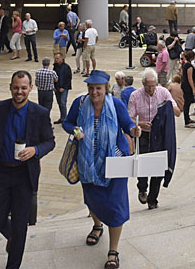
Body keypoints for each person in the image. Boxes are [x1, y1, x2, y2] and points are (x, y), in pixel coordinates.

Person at [63, 70, 142, 269]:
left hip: (115, 163)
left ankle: (113, 250)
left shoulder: (115, 104)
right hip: (87, 163)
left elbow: (127, 124)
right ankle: (97, 226)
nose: (94, 92)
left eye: (98, 88)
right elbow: (67, 122)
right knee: (92, 198)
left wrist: (134, 129)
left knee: (116, 205)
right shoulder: (80, 103)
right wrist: (75, 130)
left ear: (105, 88)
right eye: (91, 88)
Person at [0, 71, 56, 269]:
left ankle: (13, 262)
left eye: (23, 87)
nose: (19, 91)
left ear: (31, 88)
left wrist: (36, 150)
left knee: (21, 223)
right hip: (1, 172)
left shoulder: (40, 113)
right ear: (10, 87)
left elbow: (50, 142)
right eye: (16, 87)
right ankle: (14, 236)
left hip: (25, 174)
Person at [127, 68, 180, 206]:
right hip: (143, 134)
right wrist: (141, 124)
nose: (151, 89)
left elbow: (177, 112)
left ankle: (152, 199)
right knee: (143, 163)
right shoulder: (135, 96)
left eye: (153, 85)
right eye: (148, 86)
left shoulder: (163, 92)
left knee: (158, 166)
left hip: (159, 135)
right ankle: (142, 188)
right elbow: (129, 118)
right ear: (143, 84)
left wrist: (171, 105)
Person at [53, 54, 72, 123]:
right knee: (59, 103)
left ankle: (64, 118)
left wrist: (64, 88)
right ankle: (62, 117)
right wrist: (54, 87)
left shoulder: (66, 67)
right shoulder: (55, 67)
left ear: (62, 58)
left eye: (57, 58)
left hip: (64, 88)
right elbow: (53, 77)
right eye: (55, 58)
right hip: (57, 88)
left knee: (63, 102)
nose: (56, 60)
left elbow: (68, 78)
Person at [180, 52, 195, 127]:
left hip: (184, 84)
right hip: (188, 86)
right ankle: (186, 121)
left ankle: (187, 118)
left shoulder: (184, 64)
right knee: (187, 103)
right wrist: (193, 89)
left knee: (187, 102)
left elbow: (182, 73)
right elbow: (190, 78)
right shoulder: (189, 66)